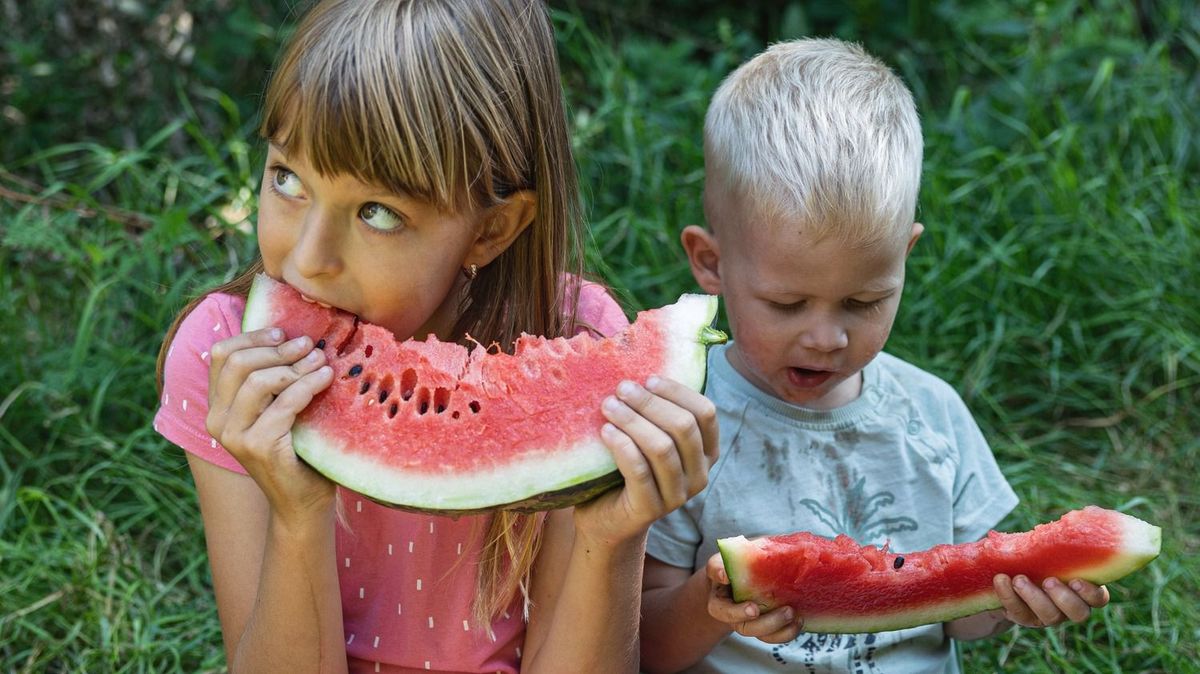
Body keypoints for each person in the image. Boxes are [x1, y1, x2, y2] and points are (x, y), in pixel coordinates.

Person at [153, 1, 717, 672]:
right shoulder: (223, 355)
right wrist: (298, 515)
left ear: (492, 229)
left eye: (377, 213)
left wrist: (611, 538)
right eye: (287, 179)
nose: (307, 259)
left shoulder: (584, 334)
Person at [638, 38, 1109, 673]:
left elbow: (963, 614)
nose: (826, 337)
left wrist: (1015, 596)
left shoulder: (932, 417)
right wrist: (709, 601)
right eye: (787, 303)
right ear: (710, 264)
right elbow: (643, 647)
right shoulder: (686, 427)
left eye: (864, 301)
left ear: (905, 259)